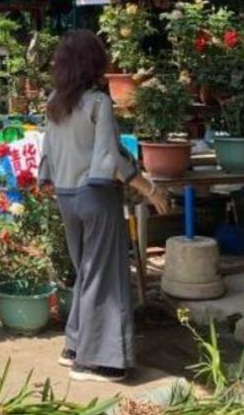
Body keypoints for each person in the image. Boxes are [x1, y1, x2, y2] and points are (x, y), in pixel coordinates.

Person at [38, 30, 164, 384]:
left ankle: (75, 347)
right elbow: (110, 158)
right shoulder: (98, 103)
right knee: (105, 276)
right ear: (93, 63)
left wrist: (45, 180)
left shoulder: (54, 101)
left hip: (65, 197)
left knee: (87, 272)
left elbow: (46, 154)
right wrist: (150, 189)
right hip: (95, 196)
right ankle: (101, 362)